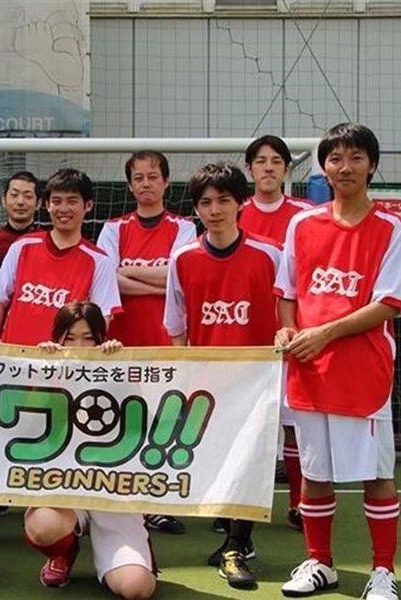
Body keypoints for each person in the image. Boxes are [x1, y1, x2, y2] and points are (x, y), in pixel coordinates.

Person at [276, 123, 401, 600]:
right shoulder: (301, 225)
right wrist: (289, 330)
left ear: (372, 165)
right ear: (324, 168)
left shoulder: (391, 229)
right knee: (314, 475)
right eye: (335, 158)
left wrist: (323, 334)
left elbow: (388, 303)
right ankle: (320, 562)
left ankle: (383, 571)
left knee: (377, 475)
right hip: (309, 371)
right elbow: (288, 292)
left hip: (363, 374)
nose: (345, 167)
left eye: (356, 157)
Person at [164, 162, 282, 589]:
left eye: (223, 201)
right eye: (206, 202)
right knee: (217, 461)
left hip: (257, 381)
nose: (214, 210)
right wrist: (188, 372)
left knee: (248, 461)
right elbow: (175, 322)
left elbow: (287, 311)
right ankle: (237, 540)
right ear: (196, 208)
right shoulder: (183, 258)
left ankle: (235, 547)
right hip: (209, 384)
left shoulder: (271, 254)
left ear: (241, 203)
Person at [26, 301, 155, 599]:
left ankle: (140, 553)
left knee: (137, 589)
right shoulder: (45, 366)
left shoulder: (117, 366)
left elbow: (141, 424)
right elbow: (26, 427)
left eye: (88, 338)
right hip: (63, 484)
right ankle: (64, 551)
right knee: (43, 526)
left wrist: (121, 369)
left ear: (101, 339)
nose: (79, 347)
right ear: (56, 338)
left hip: (113, 488)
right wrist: (43, 374)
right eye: (69, 338)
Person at [97, 151, 196, 536]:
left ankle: (158, 503)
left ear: (166, 182)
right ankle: (124, 502)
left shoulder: (183, 227)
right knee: (126, 422)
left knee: (164, 423)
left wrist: (129, 272)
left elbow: (180, 275)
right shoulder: (113, 228)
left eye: (153, 176)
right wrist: (158, 282)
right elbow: (107, 276)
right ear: (129, 185)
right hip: (121, 343)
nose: (146, 183)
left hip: (166, 340)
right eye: (138, 178)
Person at [242, 135, 312, 531]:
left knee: (294, 423)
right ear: (249, 168)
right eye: (260, 161)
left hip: (294, 333)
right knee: (243, 421)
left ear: (286, 168)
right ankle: (237, 508)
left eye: (275, 161)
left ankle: (300, 504)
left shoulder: (305, 215)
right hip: (247, 334)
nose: (268, 167)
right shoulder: (233, 212)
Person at [0, 168, 121, 346]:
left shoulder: (100, 261)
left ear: (88, 205)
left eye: (72, 201)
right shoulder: (22, 246)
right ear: (47, 205)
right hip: (14, 358)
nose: (63, 209)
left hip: (63, 361)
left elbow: (100, 321)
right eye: (56, 201)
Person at [0, 171, 41, 263]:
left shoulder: (46, 242)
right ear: (3, 200)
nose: (20, 202)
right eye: (14, 195)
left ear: (38, 203)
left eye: (28, 196)